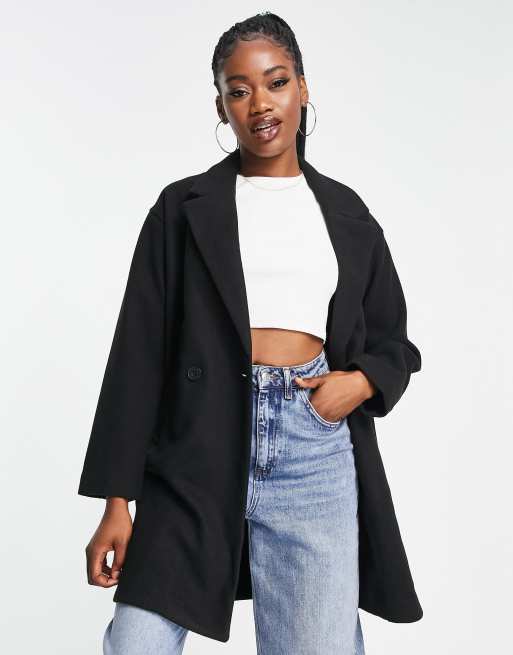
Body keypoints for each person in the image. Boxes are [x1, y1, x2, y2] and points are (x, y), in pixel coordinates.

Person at [79, 12, 423, 655]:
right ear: (221, 105)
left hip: (312, 448)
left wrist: (358, 384)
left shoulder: (346, 213)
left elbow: (395, 342)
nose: (260, 103)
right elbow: (137, 354)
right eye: (239, 90)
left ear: (303, 88)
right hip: (194, 445)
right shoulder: (181, 209)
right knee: (137, 643)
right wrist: (116, 501)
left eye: (276, 82)